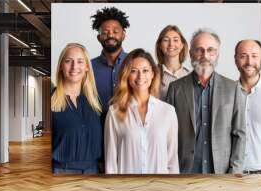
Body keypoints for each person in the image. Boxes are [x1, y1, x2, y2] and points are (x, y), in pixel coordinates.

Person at [166, 29, 246, 174]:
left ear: (217, 55)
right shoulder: (175, 89)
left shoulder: (233, 88)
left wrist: (235, 172)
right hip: (183, 172)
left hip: (221, 174)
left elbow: (239, 134)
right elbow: (167, 134)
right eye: (199, 50)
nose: (205, 56)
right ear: (190, 54)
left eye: (211, 50)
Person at [105, 48, 179, 174]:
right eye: (134, 71)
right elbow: (111, 164)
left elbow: (172, 162)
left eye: (145, 70)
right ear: (127, 75)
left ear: (152, 74)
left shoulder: (168, 112)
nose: (140, 76)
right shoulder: (114, 112)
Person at [51, 43, 102, 174]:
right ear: (61, 66)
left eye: (80, 61)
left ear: (86, 67)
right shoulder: (51, 102)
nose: (74, 67)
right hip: (61, 171)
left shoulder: (95, 102)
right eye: (69, 61)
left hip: (93, 171)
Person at [234, 39, 261, 175]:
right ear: (235, 59)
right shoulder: (227, 93)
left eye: (254, 56)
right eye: (243, 56)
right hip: (232, 170)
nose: (249, 62)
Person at [90, 7, 130, 112]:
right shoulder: (88, 67)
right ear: (99, 38)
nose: (110, 35)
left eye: (115, 31)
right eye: (105, 32)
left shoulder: (134, 63)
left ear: (123, 35)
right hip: (97, 127)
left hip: (129, 127)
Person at [155, 25, 190, 100]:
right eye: (166, 40)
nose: (171, 44)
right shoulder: (152, 73)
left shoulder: (190, 74)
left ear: (182, 45)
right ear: (160, 45)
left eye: (175, 40)